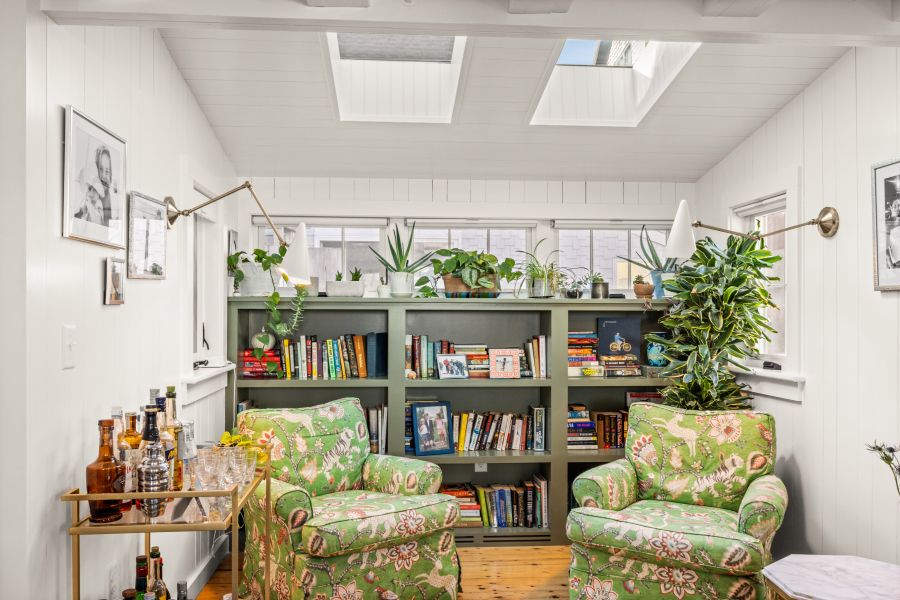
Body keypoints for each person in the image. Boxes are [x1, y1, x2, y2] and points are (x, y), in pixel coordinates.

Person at [94, 145, 114, 226]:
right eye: (101, 169)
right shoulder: (93, 200)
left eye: (107, 171)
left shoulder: (109, 199)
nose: (104, 176)